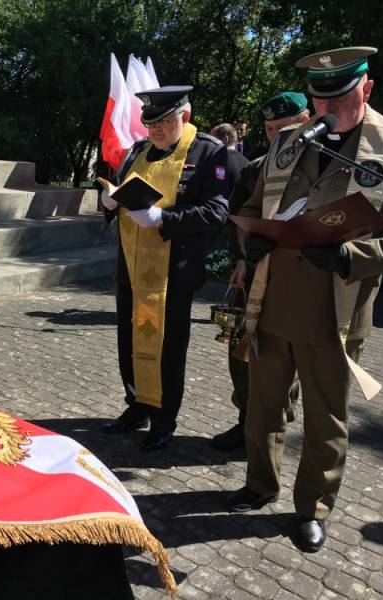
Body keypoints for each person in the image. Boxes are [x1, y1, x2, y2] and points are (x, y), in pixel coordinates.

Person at [227, 47, 383, 553]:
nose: (328, 110)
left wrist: (351, 255)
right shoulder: (289, 142)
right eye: (320, 101)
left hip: (334, 308)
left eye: (340, 99)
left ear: (367, 89)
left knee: (325, 417)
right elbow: (252, 207)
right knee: (263, 405)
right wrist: (251, 241)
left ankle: (312, 508)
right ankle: (260, 483)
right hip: (273, 299)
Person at [99, 86, 230, 452]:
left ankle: (163, 419)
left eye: (163, 123)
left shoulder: (208, 152)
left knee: (168, 348)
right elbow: (122, 191)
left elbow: (217, 211)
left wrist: (163, 218)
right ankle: (136, 406)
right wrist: (109, 201)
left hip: (173, 270)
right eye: (151, 124)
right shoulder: (139, 151)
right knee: (130, 338)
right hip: (132, 263)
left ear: (184, 117)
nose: (155, 130)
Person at [212, 92, 310, 452]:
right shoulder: (257, 168)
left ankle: (272, 428)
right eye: (269, 129)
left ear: (306, 123)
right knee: (241, 351)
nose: (275, 136)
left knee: (283, 358)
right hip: (252, 278)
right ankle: (245, 421)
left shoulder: (318, 170)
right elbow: (236, 217)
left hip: (293, 282)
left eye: (283, 128)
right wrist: (239, 258)